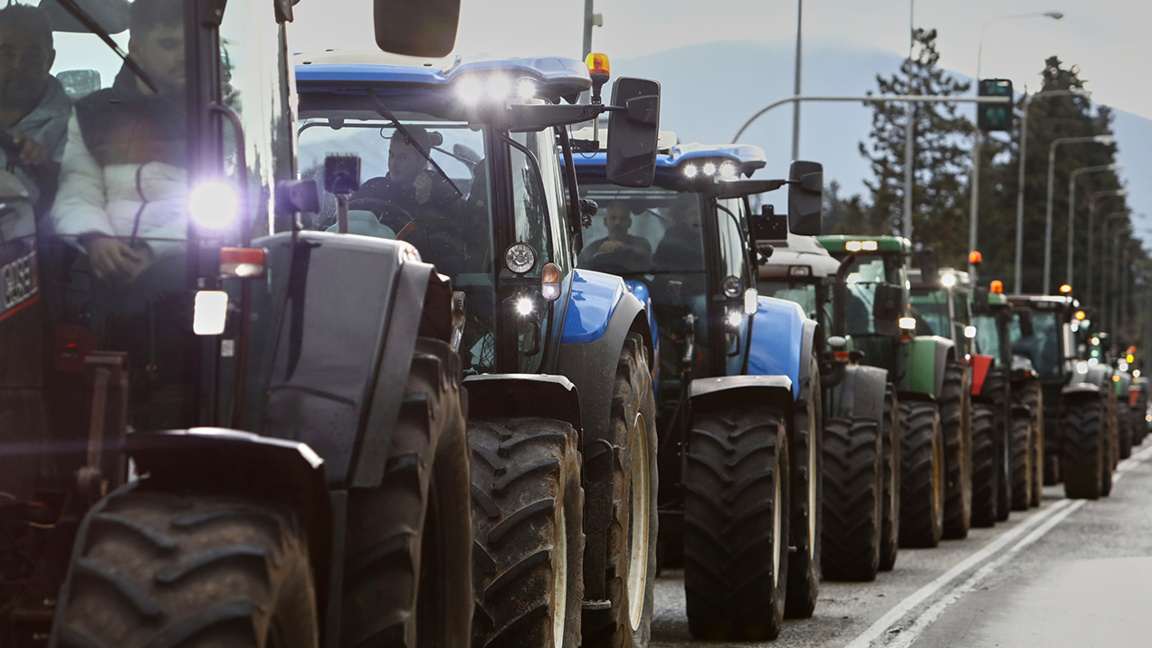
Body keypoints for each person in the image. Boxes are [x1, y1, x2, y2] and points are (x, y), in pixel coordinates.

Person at [50, 0, 187, 284]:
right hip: (101, 274)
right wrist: (96, 240)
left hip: (188, 270)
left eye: (190, 46)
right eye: (169, 45)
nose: (184, 56)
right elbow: (76, 192)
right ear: (136, 49)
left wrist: (151, 251)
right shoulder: (93, 114)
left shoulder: (215, 116)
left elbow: (227, 207)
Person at [352, 126, 468, 275]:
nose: (393, 164)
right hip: (368, 270)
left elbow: (449, 250)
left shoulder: (442, 193)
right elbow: (342, 221)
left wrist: (425, 205)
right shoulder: (372, 188)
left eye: (402, 157)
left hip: (421, 277)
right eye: (391, 155)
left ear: (422, 160)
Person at [0, 3, 72, 215]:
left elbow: (80, 197)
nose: (18, 65)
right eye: (6, 54)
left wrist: (44, 168)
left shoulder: (75, 125)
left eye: (31, 56)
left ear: (49, 61)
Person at [579, 201, 652, 265]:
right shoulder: (596, 246)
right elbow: (580, 263)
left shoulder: (640, 243)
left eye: (622, 218)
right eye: (613, 218)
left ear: (629, 222)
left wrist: (623, 246)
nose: (617, 222)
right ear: (605, 221)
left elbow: (649, 258)